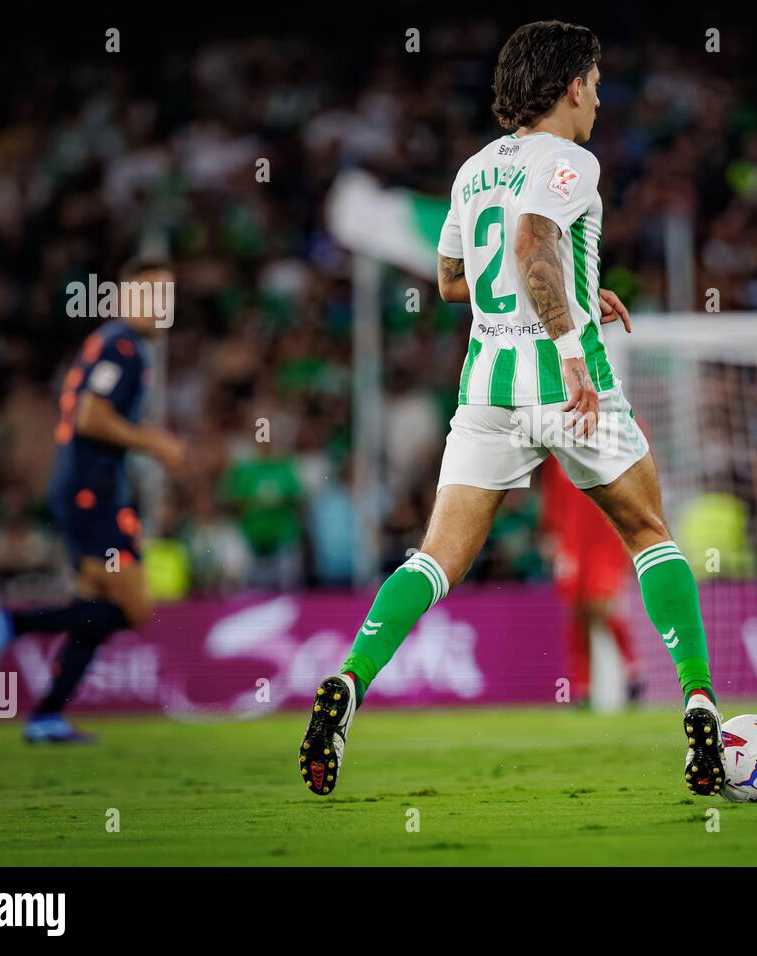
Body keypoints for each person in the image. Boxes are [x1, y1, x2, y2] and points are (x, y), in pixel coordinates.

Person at [299, 20, 724, 797]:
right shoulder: (574, 161)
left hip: (486, 388)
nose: (598, 95)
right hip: (566, 383)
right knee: (650, 535)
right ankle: (699, 700)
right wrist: (570, 348)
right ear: (570, 85)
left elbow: (454, 280)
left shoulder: (472, 172)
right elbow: (531, 243)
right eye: (593, 82)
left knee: (435, 560)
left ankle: (349, 682)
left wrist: (574, 285)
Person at [0, 259, 185, 742]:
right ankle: (11, 620)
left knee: (94, 604)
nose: (161, 307)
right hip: (93, 494)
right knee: (133, 605)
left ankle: (46, 714)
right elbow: (92, 416)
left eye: (167, 296)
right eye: (152, 294)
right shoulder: (123, 347)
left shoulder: (118, 344)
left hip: (86, 489)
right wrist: (156, 443)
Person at [539, 456, 643, 705]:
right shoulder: (556, 448)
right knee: (577, 612)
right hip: (572, 541)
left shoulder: (617, 430)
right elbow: (553, 495)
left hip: (607, 537)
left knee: (602, 605)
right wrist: (550, 531)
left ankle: (632, 672)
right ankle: (582, 687)